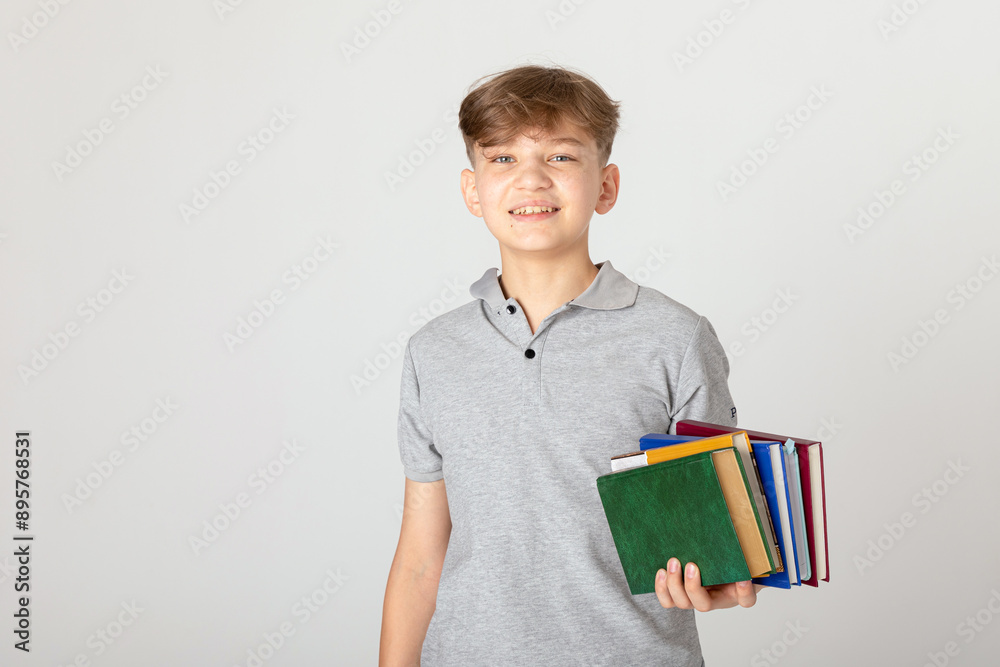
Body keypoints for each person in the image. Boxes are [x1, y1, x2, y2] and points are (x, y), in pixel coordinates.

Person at [380, 63, 758, 667]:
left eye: (560, 157)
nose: (530, 180)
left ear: (605, 187)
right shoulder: (434, 351)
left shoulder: (676, 338)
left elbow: (714, 540)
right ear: (472, 190)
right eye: (502, 159)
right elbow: (422, 557)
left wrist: (720, 578)